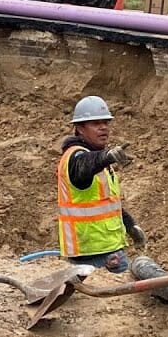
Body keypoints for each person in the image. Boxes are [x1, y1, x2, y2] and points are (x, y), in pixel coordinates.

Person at [56, 95, 147, 273]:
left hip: (106, 248)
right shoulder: (75, 157)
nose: (103, 127)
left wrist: (129, 225)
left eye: (105, 122)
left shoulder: (98, 160)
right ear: (80, 128)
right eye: (95, 123)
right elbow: (84, 166)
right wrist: (105, 157)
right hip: (92, 252)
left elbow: (105, 203)